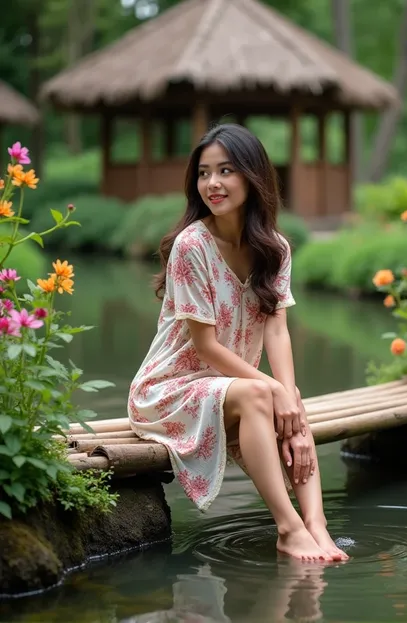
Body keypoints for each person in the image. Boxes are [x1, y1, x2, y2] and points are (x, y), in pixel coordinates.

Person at [128, 124, 348, 563]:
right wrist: (274, 390)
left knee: (289, 404)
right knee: (263, 393)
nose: (212, 183)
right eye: (204, 173)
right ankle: (288, 529)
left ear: (253, 176)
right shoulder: (192, 245)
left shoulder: (276, 248)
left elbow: (277, 329)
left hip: (232, 386)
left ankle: (317, 527)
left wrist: (290, 396)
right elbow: (204, 346)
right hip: (168, 390)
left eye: (226, 170)